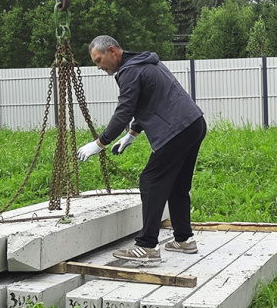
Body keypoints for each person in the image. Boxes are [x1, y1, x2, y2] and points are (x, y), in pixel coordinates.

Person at [77, 35, 207, 263]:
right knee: (177, 185)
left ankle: (147, 246)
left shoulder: (130, 72)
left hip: (176, 131)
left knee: (150, 181)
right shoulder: (146, 63)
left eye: (98, 60)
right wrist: (132, 134)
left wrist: (100, 143)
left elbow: (124, 111)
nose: (98, 67)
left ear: (111, 51)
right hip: (194, 124)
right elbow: (149, 101)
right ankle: (184, 239)